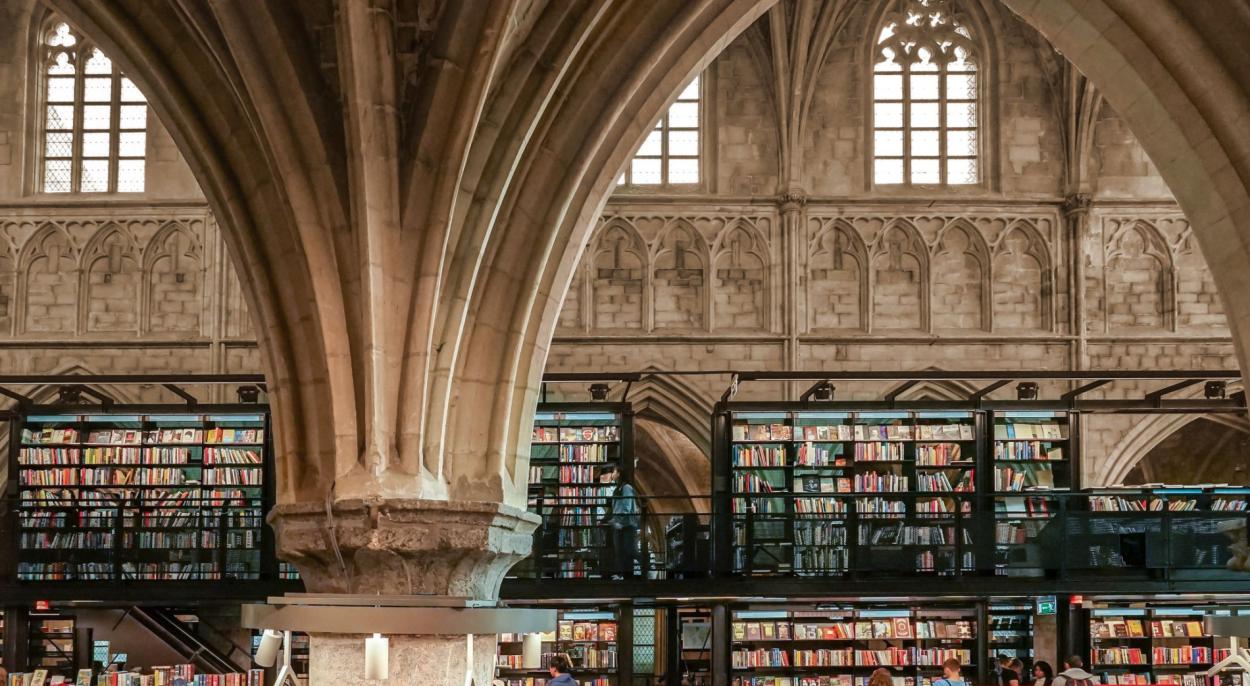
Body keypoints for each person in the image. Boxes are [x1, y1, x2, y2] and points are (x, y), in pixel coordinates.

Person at [600, 464, 640, 580]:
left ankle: (647, 566)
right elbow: (616, 507)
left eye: (614, 471)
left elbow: (627, 507)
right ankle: (621, 574)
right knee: (619, 551)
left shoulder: (626, 488)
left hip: (626, 525)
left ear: (619, 473)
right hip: (618, 524)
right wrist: (613, 520)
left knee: (630, 550)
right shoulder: (618, 488)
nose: (613, 474)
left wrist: (619, 521)